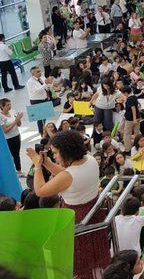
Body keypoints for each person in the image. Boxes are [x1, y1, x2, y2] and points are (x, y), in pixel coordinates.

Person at [26, 130, 109, 278]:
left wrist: (37, 166)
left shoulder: (68, 175)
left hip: (77, 217)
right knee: (94, 250)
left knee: (81, 256)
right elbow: (65, 173)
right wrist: (46, 162)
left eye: (56, 153)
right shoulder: (89, 160)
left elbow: (40, 190)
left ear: (67, 151)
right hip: (93, 211)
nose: (54, 156)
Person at [26, 66, 54, 135]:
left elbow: (46, 87)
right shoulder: (30, 82)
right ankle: (42, 132)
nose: (40, 72)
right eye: (38, 72)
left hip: (44, 99)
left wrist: (50, 84)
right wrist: (45, 84)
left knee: (46, 116)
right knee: (40, 118)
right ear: (33, 74)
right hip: (36, 101)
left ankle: (46, 131)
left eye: (40, 71)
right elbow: (36, 91)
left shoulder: (42, 78)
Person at [0, 98, 23, 176]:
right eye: (7, 105)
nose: (9, 106)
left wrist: (19, 119)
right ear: (2, 106)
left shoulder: (12, 111)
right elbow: (5, 130)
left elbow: (19, 124)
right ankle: (15, 171)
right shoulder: (1, 116)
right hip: (8, 139)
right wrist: (16, 121)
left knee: (16, 154)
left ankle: (18, 170)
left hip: (16, 135)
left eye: (10, 104)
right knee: (13, 155)